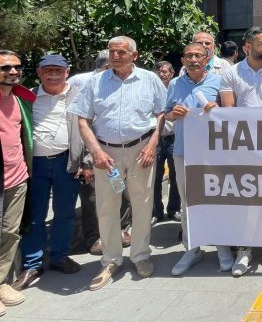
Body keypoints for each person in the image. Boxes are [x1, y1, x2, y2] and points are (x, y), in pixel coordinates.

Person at [68, 36, 167, 291]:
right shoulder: (96, 82)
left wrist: (152, 143)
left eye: (121, 52)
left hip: (140, 151)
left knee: (142, 204)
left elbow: (161, 113)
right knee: (107, 206)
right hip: (106, 156)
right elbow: (83, 120)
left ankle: (141, 256)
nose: (115, 56)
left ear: (134, 55)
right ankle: (111, 260)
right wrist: (96, 152)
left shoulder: (150, 79)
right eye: (112, 52)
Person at [219, 26, 262, 275]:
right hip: (240, 146)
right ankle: (245, 249)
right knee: (244, 199)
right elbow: (228, 111)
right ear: (247, 46)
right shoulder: (230, 74)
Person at [14, 55, 87, 292]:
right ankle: (32, 264)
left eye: (58, 70)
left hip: (67, 163)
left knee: (65, 213)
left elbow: (90, 129)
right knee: (35, 216)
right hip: (35, 165)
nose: (53, 75)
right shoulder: (26, 97)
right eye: (48, 70)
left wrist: (85, 161)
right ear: (39, 72)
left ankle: (59, 256)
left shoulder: (79, 96)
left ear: (67, 72)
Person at [165, 42, 221, 276]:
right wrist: (172, 114)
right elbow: (165, 113)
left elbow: (232, 113)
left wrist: (217, 109)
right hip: (183, 151)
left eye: (198, 55)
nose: (193, 59)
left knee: (218, 200)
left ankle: (222, 245)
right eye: (189, 56)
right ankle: (192, 248)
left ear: (208, 58)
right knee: (188, 202)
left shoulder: (219, 82)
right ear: (183, 60)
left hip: (214, 152)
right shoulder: (175, 84)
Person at [0, 49, 33, 313]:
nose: (12, 71)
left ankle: (1, 282)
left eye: (17, 67)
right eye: (5, 68)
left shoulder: (22, 99)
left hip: (17, 178)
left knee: (10, 232)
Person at [151, 61, 180, 225]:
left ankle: (174, 209)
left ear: (171, 73)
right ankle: (156, 212)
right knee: (155, 177)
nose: (161, 74)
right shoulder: (152, 90)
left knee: (175, 176)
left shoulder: (176, 89)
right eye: (158, 71)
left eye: (164, 71)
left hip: (173, 138)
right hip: (155, 139)